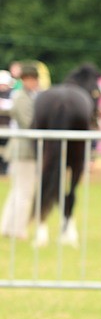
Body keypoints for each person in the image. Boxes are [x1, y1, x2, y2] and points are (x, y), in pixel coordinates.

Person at [0, 63, 41, 239]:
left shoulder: (28, 96)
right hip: (24, 149)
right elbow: (28, 122)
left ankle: (8, 227)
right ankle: (17, 229)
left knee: (19, 190)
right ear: (27, 79)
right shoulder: (22, 97)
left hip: (24, 149)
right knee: (25, 190)